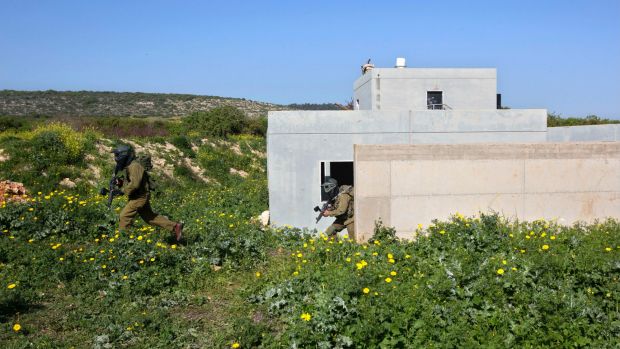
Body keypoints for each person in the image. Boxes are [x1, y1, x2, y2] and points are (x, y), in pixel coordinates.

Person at [111, 145, 183, 241]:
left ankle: (123, 242)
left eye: (117, 155)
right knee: (150, 217)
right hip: (139, 196)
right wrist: (120, 183)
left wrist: (122, 191)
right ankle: (175, 226)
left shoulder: (134, 166)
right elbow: (133, 181)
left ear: (124, 155)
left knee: (124, 216)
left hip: (139, 197)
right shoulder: (131, 166)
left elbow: (135, 184)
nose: (116, 158)